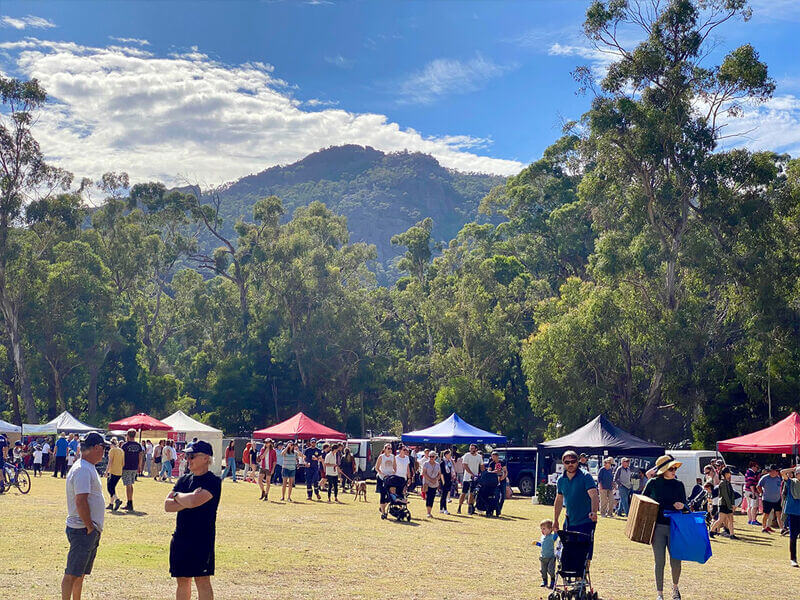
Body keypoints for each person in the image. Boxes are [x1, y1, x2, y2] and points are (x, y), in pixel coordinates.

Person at [164, 440, 221, 600]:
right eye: (187, 456)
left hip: (202, 539)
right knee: (182, 581)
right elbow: (167, 506)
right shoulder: (183, 480)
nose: (187, 459)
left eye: (191, 456)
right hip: (181, 537)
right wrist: (182, 497)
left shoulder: (213, 481)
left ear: (205, 458)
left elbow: (194, 502)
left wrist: (179, 498)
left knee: (202, 581)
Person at [62, 432, 109, 600]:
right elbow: (80, 501)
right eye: (103, 448)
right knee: (72, 573)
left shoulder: (87, 467)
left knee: (79, 573)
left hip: (87, 529)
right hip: (83, 529)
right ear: (96, 447)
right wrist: (89, 525)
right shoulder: (82, 469)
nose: (104, 452)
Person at [642, 454, 687, 600]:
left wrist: (682, 506)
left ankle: (675, 588)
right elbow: (643, 501)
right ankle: (659, 594)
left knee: (676, 561)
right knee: (659, 561)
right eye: (671, 468)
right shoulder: (653, 483)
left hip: (675, 527)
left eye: (675, 468)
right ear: (663, 470)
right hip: (658, 527)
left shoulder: (679, 485)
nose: (674, 470)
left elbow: (685, 506)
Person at [553, 450, 599, 562]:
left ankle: (583, 577)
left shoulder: (585, 476)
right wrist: (556, 520)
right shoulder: (561, 480)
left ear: (577, 462)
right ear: (563, 463)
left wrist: (594, 512)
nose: (570, 464)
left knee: (584, 553)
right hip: (569, 522)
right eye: (567, 462)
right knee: (568, 553)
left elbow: (594, 495)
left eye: (573, 461)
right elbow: (559, 500)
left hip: (585, 521)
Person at [779, 465, 800, 567]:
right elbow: (782, 472)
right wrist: (794, 468)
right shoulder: (791, 482)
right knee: (793, 536)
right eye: (798, 473)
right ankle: (793, 559)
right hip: (793, 512)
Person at [709, 467, 737, 540]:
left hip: (728, 504)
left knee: (730, 519)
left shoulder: (728, 482)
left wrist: (732, 504)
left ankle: (732, 534)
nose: (730, 474)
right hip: (723, 504)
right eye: (729, 473)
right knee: (720, 520)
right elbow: (725, 495)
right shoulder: (723, 483)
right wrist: (730, 505)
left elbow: (731, 494)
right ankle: (711, 531)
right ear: (726, 474)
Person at [120, 429, 143, 511]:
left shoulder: (125, 445)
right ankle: (130, 502)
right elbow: (140, 456)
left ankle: (129, 503)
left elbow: (121, 457)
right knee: (130, 484)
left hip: (126, 467)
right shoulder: (138, 445)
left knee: (128, 485)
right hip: (134, 467)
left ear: (128, 436)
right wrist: (139, 466)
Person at [458, 443, 484, 515]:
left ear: (476, 449)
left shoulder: (479, 457)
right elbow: (465, 466)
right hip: (467, 478)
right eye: (470, 448)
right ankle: (459, 507)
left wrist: (482, 472)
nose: (471, 450)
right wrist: (472, 474)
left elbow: (482, 466)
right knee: (464, 493)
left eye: (473, 448)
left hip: (474, 478)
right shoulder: (467, 455)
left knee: (472, 493)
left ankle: (470, 509)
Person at [757, 464, 783, 533]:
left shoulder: (779, 478)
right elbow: (758, 486)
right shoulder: (765, 478)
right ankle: (763, 527)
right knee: (766, 514)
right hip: (767, 499)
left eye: (777, 471)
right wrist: (762, 493)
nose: (776, 472)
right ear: (770, 471)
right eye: (774, 471)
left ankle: (782, 528)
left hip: (777, 499)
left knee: (779, 514)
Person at [375, 444, 396, 518]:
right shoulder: (381, 457)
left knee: (392, 495)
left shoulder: (393, 456)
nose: (390, 450)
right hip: (382, 478)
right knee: (383, 494)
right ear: (385, 449)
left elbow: (394, 467)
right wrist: (382, 473)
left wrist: (394, 472)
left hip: (390, 478)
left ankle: (382, 507)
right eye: (388, 448)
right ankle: (383, 513)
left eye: (391, 448)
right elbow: (376, 468)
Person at [536, 518, 558, 589]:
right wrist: (537, 543)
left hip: (551, 557)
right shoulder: (542, 537)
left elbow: (556, 536)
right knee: (543, 570)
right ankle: (544, 581)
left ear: (550, 529)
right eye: (541, 529)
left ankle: (552, 580)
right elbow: (543, 544)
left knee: (550, 569)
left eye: (544, 529)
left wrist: (555, 531)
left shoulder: (551, 537)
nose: (542, 530)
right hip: (543, 557)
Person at [105, 437, 124, 512]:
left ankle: (117, 500)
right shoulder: (121, 450)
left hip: (112, 471)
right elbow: (123, 463)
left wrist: (106, 472)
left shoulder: (112, 450)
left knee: (110, 488)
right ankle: (111, 504)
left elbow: (110, 462)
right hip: (119, 472)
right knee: (112, 488)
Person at [488, 451, 508, 515]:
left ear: (497, 456)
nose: (492, 458)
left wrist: (503, 477)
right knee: (496, 496)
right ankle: (496, 510)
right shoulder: (491, 463)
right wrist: (495, 471)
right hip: (495, 481)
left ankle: (499, 509)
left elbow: (505, 471)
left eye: (493, 456)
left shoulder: (502, 463)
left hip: (502, 481)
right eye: (492, 456)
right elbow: (489, 472)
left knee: (503, 496)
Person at [421, 450, 440, 517]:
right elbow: (424, 473)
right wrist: (431, 479)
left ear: (435, 457)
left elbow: (439, 474)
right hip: (427, 483)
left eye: (432, 456)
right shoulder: (426, 463)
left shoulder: (438, 464)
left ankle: (430, 511)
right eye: (430, 456)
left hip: (435, 483)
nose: (431, 458)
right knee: (428, 497)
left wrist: (436, 479)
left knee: (432, 497)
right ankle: (428, 512)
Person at [744, 460, 760, 526]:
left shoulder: (748, 472)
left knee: (749, 505)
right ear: (753, 466)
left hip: (747, 491)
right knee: (754, 506)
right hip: (751, 491)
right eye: (756, 467)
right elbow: (751, 483)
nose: (757, 469)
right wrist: (753, 493)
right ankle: (753, 520)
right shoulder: (751, 473)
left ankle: (750, 520)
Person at [439, 449, 455, 514]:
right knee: (444, 495)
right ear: (445, 455)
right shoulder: (442, 462)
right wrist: (443, 482)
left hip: (449, 479)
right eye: (449, 454)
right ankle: (445, 509)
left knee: (444, 495)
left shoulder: (449, 462)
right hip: (444, 480)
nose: (450, 456)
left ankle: (441, 508)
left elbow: (452, 470)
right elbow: (441, 473)